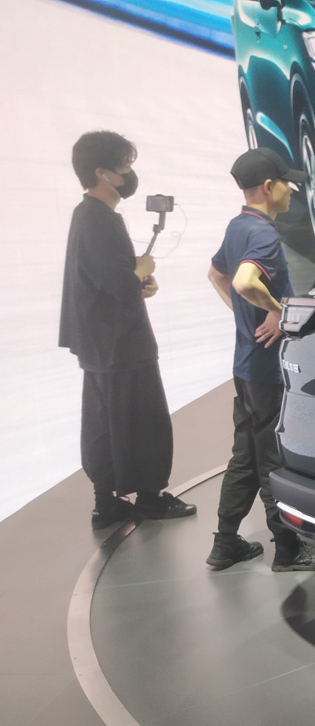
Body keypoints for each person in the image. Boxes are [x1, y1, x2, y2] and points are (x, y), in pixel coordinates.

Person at [205, 148, 315, 573]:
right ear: (269, 187)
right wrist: (279, 313)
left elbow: (217, 275)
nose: (291, 191)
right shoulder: (262, 233)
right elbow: (244, 281)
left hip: (245, 365)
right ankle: (288, 548)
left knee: (246, 453)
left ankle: (224, 544)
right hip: (267, 369)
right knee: (271, 459)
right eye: (287, 183)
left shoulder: (238, 226)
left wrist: (246, 316)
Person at [60, 130, 197, 529]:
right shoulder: (98, 219)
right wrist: (141, 271)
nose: (129, 174)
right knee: (145, 419)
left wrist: (138, 280)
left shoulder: (87, 216)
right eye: (124, 167)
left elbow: (105, 278)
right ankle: (150, 498)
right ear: (101, 172)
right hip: (122, 342)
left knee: (103, 424)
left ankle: (105, 503)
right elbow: (118, 281)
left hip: (100, 342)